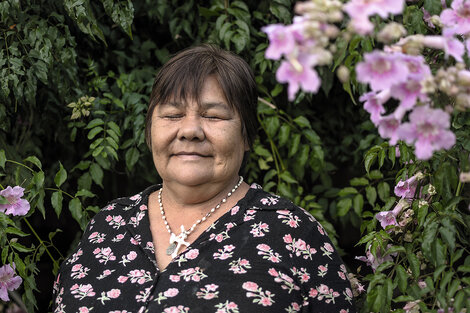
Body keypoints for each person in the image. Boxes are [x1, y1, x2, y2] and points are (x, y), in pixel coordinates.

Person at [52, 44, 356, 313]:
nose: (190, 130)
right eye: (172, 115)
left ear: (246, 135)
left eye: (213, 116)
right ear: (149, 131)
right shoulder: (107, 226)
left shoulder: (293, 235)